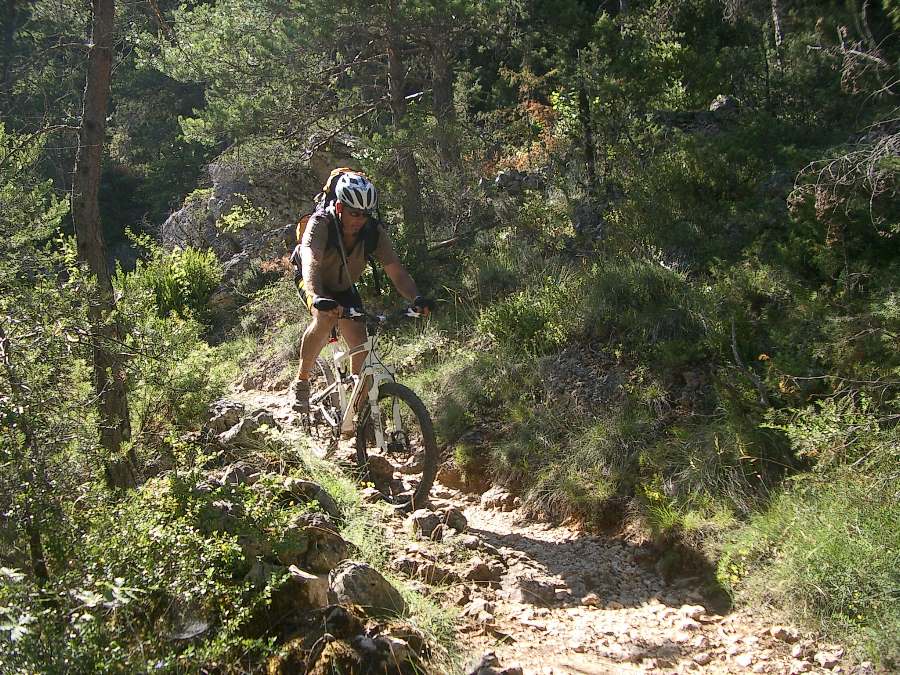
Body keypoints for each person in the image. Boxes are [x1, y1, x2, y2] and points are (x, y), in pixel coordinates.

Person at [291, 171, 433, 413]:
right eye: (354, 213)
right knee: (325, 318)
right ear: (339, 207)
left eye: (365, 214)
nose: (359, 220)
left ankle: (360, 411)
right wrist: (316, 297)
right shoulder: (321, 223)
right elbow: (310, 259)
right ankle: (301, 381)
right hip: (312, 280)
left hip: (344, 286)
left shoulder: (373, 232)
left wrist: (416, 298)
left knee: (361, 344)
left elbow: (396, 271)